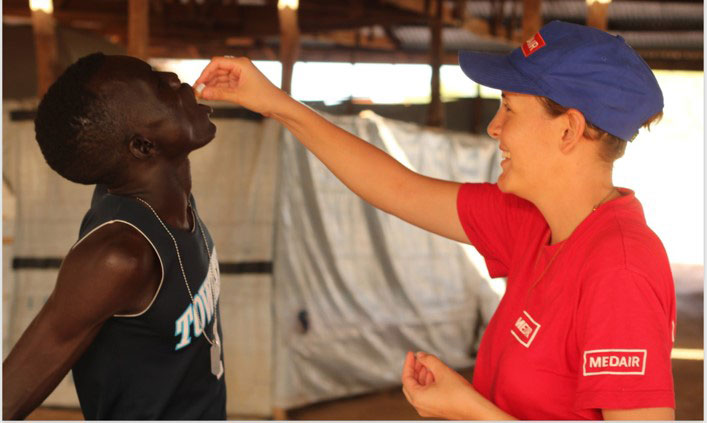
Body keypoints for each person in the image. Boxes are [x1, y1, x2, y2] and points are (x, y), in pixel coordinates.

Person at [193, 20, 675, 420]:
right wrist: (276, 104)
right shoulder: (534, 223)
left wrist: (471, 408)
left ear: (568, 129)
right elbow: (397, 188)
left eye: (508, 108)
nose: (494, 127)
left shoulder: (620, 269)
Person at [3, 53, 227, 420]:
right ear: (143, 147)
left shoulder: (173, 203)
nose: (174, 79)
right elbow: (8, 394)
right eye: (158, 85)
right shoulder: (120, 254)